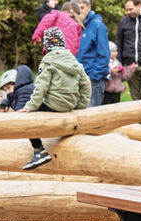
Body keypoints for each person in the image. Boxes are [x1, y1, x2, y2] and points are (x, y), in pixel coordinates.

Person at [19, 28, 91, 170]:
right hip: (69, 104)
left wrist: (31, 106)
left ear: (46, 45)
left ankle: (39, 151)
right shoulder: (74, 62)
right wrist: (81, 105)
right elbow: (86, 85)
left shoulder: (48, 61)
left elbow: (41, 86)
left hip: (53, 103)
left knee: (29, 118)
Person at [71, 0, 111, 108]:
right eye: (76, 8)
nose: (80, 11)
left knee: (90, 115)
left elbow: (104, 55)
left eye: (82, 7)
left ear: (89, 8)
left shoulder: (97, 25)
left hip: (92, 79)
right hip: (75, 78)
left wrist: (93, 76)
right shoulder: (72, 25)